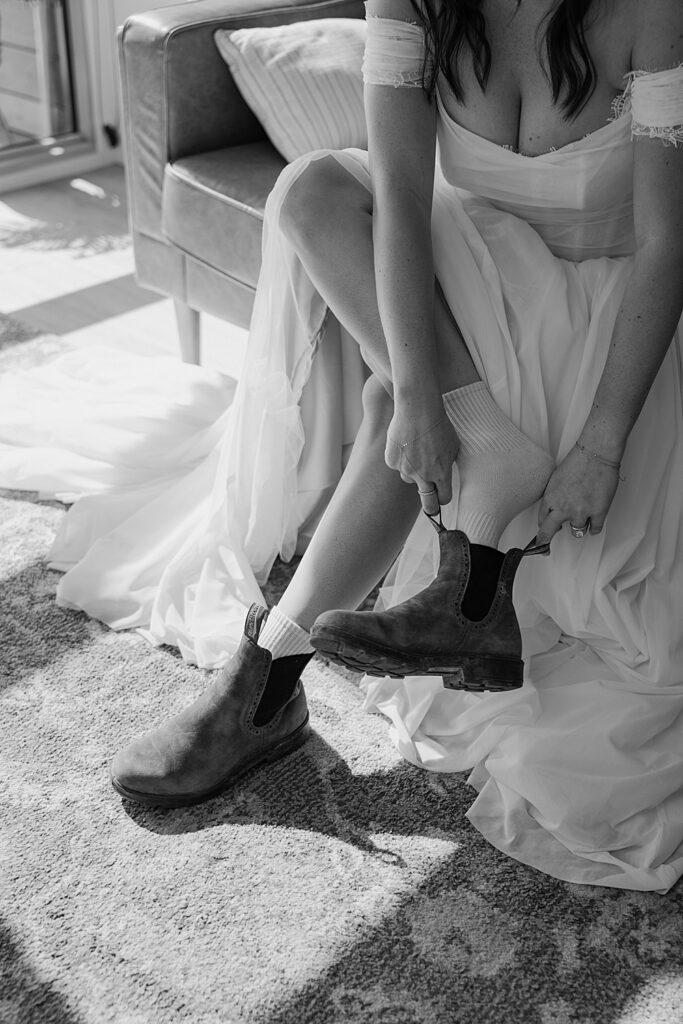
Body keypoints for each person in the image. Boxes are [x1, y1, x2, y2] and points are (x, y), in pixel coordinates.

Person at [1, 0, 682, 891]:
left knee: (386, 392)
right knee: (315, 190)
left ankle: (266, 680)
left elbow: (667, 242)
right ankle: (467, 480)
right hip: (467, 283)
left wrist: (600, 443)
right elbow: (400, 202)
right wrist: (422, 397)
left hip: (609, 316)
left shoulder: (652, 10)